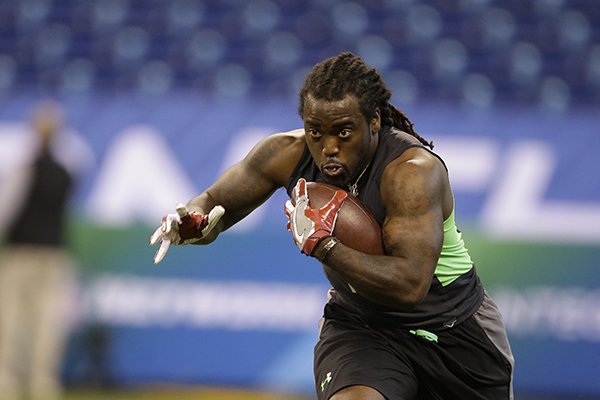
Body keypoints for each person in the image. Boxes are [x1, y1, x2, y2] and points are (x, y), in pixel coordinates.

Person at [150, 52, 514, 400]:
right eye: (316, 132)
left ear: (374, 121)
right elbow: (214, 203)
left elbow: (410, 284)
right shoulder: (285, 153)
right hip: (363, 327)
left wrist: (324, 246)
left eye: (343, 132)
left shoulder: (412, 172)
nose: (328, 148)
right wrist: (192, 221)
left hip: (454, 329)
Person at [0, 101, 75, 400]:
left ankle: (8, 378)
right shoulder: (65, 173)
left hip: (22, 252)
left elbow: (7, 210)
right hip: (53, 252)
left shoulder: (26, 170)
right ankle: (43, 381)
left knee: (13, 317)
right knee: (48, 320)